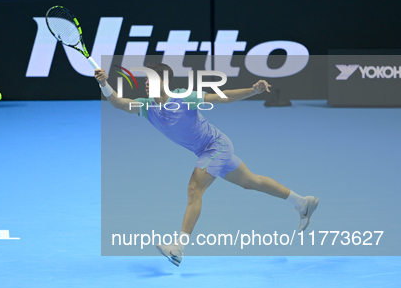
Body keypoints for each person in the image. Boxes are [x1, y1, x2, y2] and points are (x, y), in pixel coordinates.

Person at [95, 63, 319, 267]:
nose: (146, 85)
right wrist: (104, 83)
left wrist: (253, 90)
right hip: (206, 151)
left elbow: (221, 97)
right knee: (252, 182)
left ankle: (178, 247)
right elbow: (119, 103)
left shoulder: (183, 98)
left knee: (194, 189)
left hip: (216, 146)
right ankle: (302, 202)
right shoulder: (147, 107)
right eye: (145, 82)